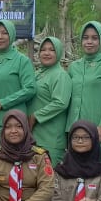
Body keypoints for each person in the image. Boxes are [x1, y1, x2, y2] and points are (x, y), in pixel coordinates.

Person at [65, 22, 101, 161]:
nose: (89, 42)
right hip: (75, 131)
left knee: (99, 170)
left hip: (98, 130)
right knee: (76, 171)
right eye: (85, 38)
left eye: (94, 38)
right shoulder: (74, 67)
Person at [0, 19, 35, 154]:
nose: (0, 37)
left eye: (4, 33)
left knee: (7, 162)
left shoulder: (22, 61)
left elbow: (30, 89)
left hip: (9, 124)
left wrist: (2, 103)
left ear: (12, 35)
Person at [30, 36, 72, 164]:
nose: (46, 53)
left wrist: (35, 116)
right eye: (43, 49)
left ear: (58, 52)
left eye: (52, 50)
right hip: (34, 136)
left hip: (51, 138)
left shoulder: (60, 75)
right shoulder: (37, 74)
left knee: (49, 179)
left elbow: (60, 103)